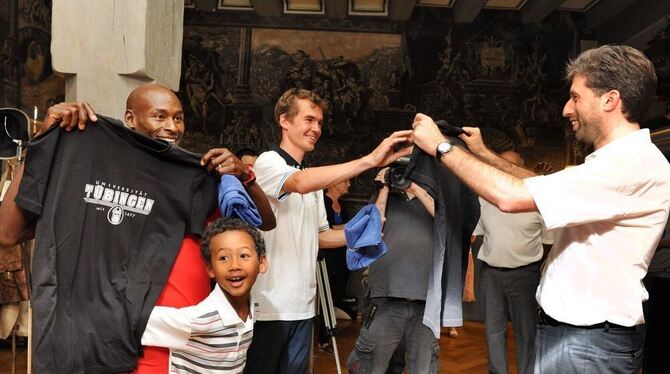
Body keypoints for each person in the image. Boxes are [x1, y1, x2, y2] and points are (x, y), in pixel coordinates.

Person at [411, 44, 670, 373]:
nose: (566, 109)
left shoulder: (627, 165)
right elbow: (539, 186)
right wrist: (485, 154)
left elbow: (512, 197)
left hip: (587, 342)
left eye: (575, 97)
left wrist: (441, 146)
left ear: (610, 99)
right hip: (579, 337)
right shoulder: (616, 163)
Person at [0, 83, 275, 373]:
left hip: (173, 346)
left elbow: (262, 222)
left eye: (178, 118)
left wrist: (245, 175)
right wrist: (44, 143)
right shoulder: (80, 155)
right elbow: (6, 232)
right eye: (160, 116)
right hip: (88, 335)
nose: (172, 126)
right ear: (130, 118)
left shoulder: (189, 176)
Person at [244, 88, 411, 374]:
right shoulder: (268, 162)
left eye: (320, 122)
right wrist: (370, 160)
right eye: (309, 120)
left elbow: (320, 235)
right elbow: (298, 182)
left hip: (304, 305)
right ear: (284, 121)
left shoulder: (311, 180)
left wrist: (363, 233)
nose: (316, 128)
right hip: (270, 305)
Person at [347, 144, 479, 374]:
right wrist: (384, 188)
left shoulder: (439, 202)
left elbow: (449, 227)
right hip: (385, 297)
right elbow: (371, 231)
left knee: (424, 369)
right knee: (370, 367)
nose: (406, 175)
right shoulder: (382, 197)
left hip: (426, 301)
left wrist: (419, 189)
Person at [141, 217, 268, 373]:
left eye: (243, 255)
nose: (234, 265)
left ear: (262, 263)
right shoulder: (200, 320)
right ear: (210, 269)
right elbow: (136, 319)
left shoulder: (253, 307)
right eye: (223, 258)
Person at [473, 149, 554, 374]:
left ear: (521, 167)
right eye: (500, 165)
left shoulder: (538, 200)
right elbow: (478, 232)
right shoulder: (485, 198)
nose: (503, 170)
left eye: (509, 165)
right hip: (490, 275)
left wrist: (532, 264)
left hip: (525, 276)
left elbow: (549, 242)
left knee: (526, 333)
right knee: (493, 331)